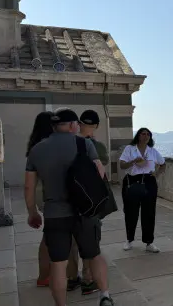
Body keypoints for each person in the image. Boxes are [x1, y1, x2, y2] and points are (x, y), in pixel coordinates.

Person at [24, 108, 113, 306]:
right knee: (94, 254)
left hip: (55, 213)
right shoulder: (84, 143)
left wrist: (32, 212)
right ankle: (105, 296)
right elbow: (100, 173)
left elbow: (29, 185)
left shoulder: (36, 150)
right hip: (84, 211)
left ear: (54, 126)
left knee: (58, 264)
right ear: (73, 125)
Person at [27, 111, 82, 290]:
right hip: (58, 196)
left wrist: (32, 211)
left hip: (43, 194)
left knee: (48, 237)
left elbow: (29, 185)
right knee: (69, 238)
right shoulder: (68, 143)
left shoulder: (37, 146)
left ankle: (44, 275)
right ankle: (71, 276)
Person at [76, 109, 114, 295]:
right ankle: (88, 279)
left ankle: (69, 278)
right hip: (90, 200)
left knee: (70, 242)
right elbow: (103, 166)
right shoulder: (95, 146)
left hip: (68, 199)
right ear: (97, 126)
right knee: (90, 241)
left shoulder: (68, 142)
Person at [119, 128, 166, 253]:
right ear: (138, 136)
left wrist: (157, 174)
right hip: (132, 181)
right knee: (130, 212)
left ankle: (149, 242)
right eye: (143, 134)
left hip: (149, 181)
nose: (145, 136)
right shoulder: (129, 149)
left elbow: (163, 164)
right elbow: (122, 165)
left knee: (149, 212)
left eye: (148, 134)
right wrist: (133, 161)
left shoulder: (152, 151)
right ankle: (129, 240)